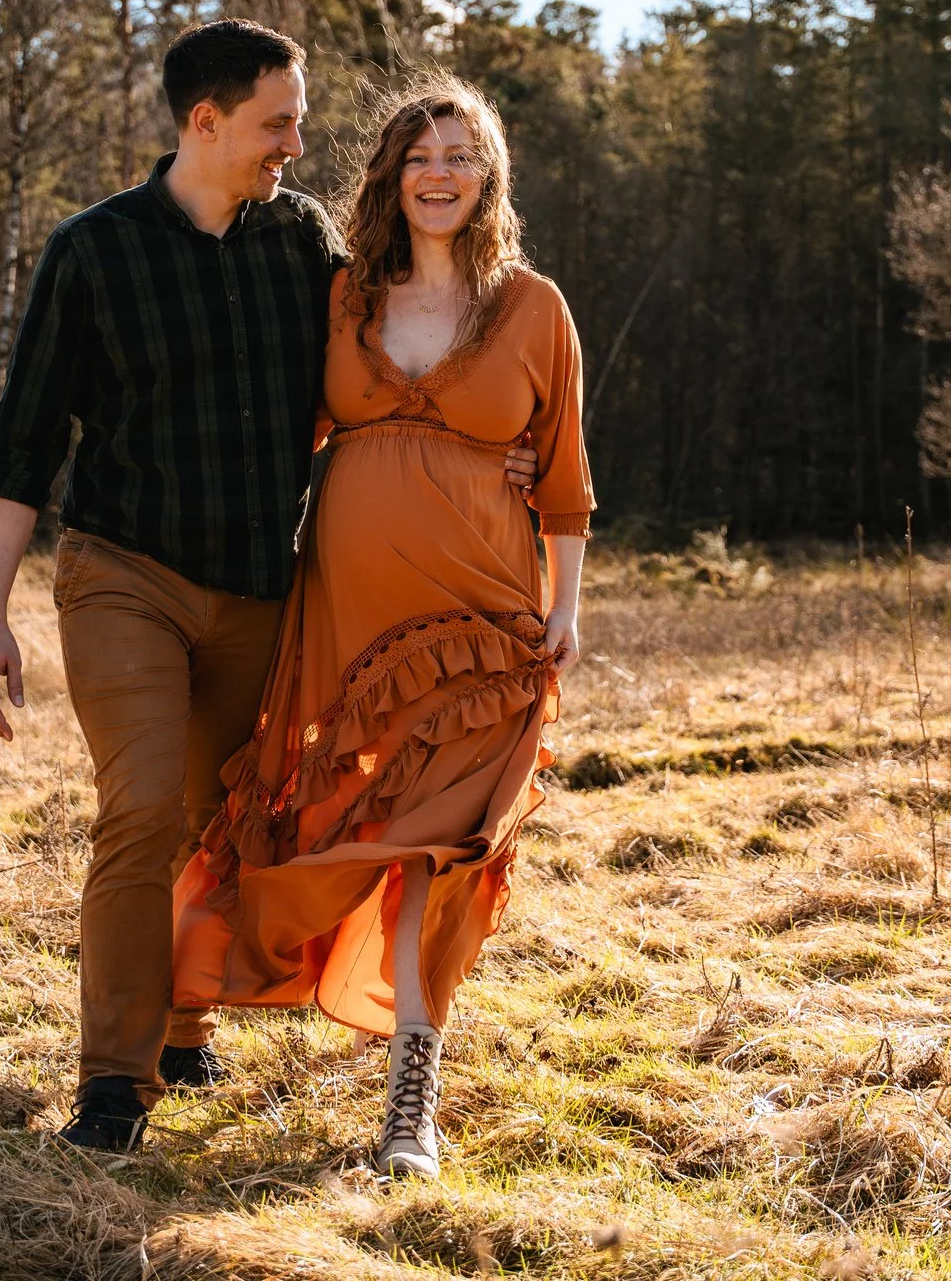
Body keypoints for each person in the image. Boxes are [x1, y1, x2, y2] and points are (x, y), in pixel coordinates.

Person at [0, 22, 538, 1153]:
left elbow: (388, 371)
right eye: (278, 120)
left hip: (261, 588)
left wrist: (500, 445)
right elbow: (21, 446)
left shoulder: (303, 242)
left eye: (299, 119)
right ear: (205, 120)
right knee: (137, 811)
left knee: (214, 816)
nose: (295, 141)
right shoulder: (95, 251)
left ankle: (183, 1024)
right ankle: (115, 1086)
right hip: (126, 570)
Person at [172, 74, 593, 1181]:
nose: (439, 172)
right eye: (419, 154)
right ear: (390, 174)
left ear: (489, 174)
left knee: (437, 848)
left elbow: (563, 478)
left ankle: (412, 1093)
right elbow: (277, 419)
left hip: (487, 619)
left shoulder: (533, 306)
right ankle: (177, 1004)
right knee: (343, 820)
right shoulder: (345, 296)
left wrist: (567, 604)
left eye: (460, 153)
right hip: (350, 621)